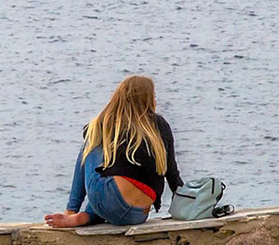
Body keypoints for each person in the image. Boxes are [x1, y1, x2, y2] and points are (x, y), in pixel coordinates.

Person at [45, 74, 182, 228]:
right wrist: (184, 202)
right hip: (138, 214)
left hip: (111, 201)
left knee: (91, 140)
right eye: (153, 96)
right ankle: (84, 217)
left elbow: (86, 133)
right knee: (112, 181)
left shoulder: (109, 122)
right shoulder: (161, 125)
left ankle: (71, 212)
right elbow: (172, 172)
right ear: (147, 99)